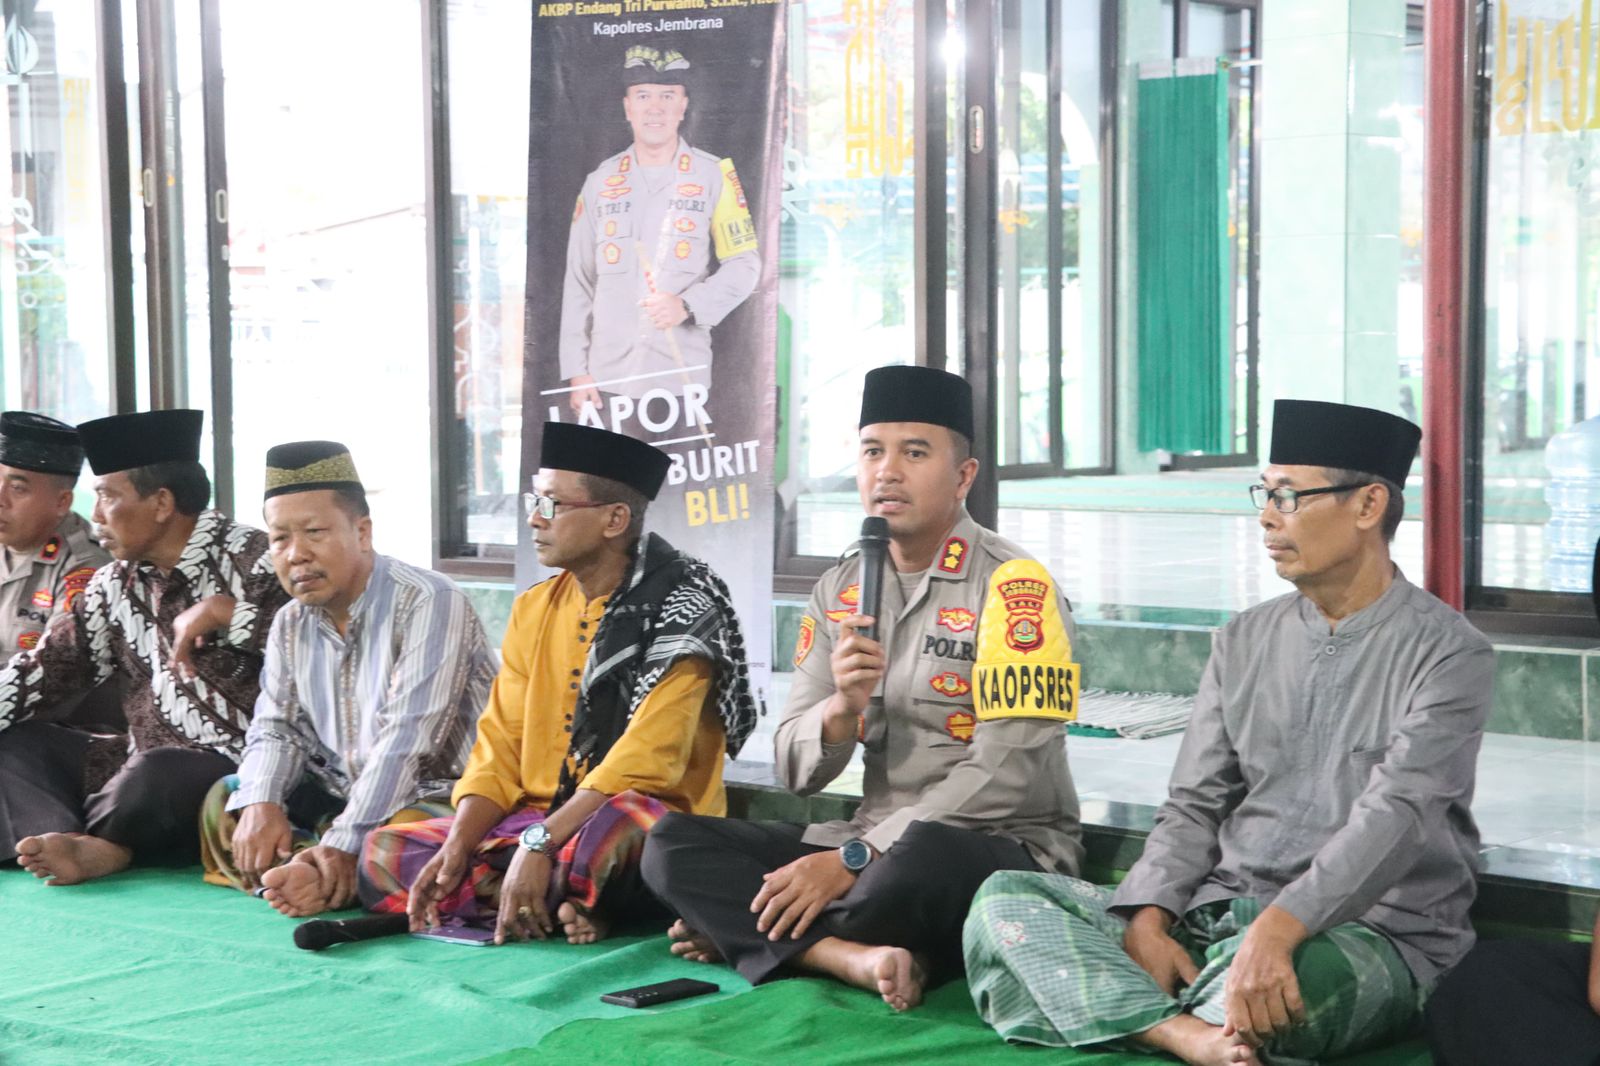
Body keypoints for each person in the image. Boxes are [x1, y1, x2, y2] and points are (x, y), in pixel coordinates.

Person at [962, 399, 1494, 1066]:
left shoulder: (1449, 654)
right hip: (1222, 912)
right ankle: (1181, 1032)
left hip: (1368, 935)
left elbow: (1397, 817)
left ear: (1367, 506)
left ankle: (1146, 1010)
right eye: (1263, 495)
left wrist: (1278, 932)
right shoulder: (1242, 640)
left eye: (1289, 497)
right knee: (1004, 899)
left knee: (1285, 997)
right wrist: (1148, 918)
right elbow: (1193, 803)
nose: (1267, 517)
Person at [642, 365, 1084, 1013]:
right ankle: (852, 955)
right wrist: (841, 710)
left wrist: (855, 857)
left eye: (914, 452)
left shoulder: (1017, 588)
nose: (888, 472)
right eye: (873, 451)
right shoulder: (841, 590)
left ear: (964, 476)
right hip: (868, 842)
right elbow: (796, 768)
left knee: (916, 864)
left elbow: (1007, 775)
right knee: (671, 845)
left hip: (996, 845)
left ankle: (750, 931)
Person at [357, 422, 759, 946]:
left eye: (551, 504)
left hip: (635, 819)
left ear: (615, 519)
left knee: (625, 836)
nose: (533, 518)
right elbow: (499, 744)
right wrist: (459, 845)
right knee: (385, 850)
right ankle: (558, 903)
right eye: (534, 500)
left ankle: (524, 892)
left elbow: (648, 762)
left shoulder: (685, 609)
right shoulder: (534, 608)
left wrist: (541, 844)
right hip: (534, 822)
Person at [198, 441, 496, 918]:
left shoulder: (430, 600)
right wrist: (263, 802)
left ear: (362, 532)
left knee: (397, 847)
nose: (296, 555)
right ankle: (317, 875)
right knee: (227, 800)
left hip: (438, 795)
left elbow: (408, 742)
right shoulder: (291, 622)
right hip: (344, 796)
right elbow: (277, 728)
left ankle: (320, 870)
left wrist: (344, 841)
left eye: (314, 532)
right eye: (279, 539)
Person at [0, 409, 290, 885]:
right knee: (17, 743)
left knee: (160, 775)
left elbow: (312, 650)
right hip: (132, 763)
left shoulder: (257, 560)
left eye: (108, 497)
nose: (95, 516)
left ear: (160, 502)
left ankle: (106, 845)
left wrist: (230, 616)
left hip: (227, 770)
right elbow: (46, 669)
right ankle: (74, 840)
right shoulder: (113, 582)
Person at [559, 44, 760, 431]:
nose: (655, 107)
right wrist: (576, 370)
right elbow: (579, 281)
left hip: (681, 378)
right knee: (610, 491)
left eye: (667, 96)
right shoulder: (600, 182)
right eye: (643, 96)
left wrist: (688, 304)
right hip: (607, 381)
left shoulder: (714, 175)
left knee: (680, 491)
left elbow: (746, 265)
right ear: (627, 106)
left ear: (684, 106)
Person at [0, 412, 109, 655]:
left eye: (17, 488)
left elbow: (55, 673)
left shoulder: (84, 568)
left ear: (61, 502)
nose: (1, 499)